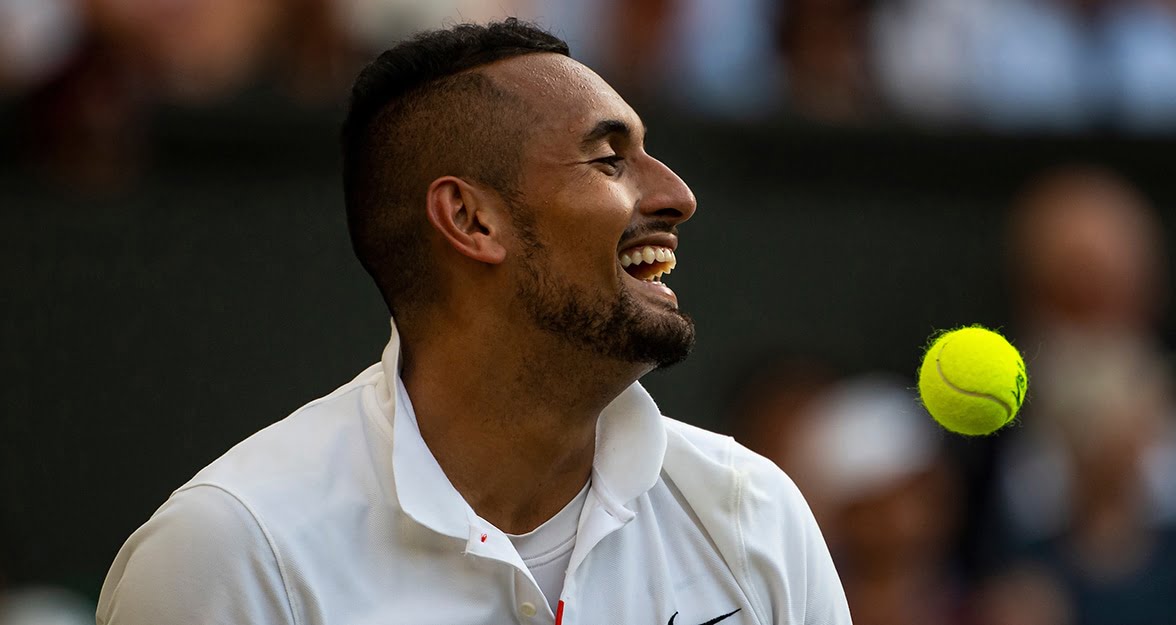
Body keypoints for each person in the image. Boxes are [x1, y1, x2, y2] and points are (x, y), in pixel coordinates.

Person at [96, 19, 852, 625]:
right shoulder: (229, 553)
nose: (678, 195)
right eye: (610, 159)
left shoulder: (754, 514)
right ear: (470, 218)